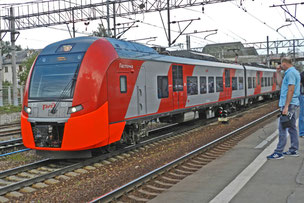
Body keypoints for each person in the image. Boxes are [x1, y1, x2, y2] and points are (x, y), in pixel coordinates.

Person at [267, 58, 301, 159]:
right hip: (291, 103)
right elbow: (282, 85)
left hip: (289, 104)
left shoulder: (290, 73)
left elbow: (291, 90)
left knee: (282, 127)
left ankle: (278, 152)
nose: (280, 66)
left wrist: (286, 106)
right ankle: (294, 149)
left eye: (281, 65)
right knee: (291, 127)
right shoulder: (291, 72)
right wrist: (278, 73)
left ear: (284, 64)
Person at [299, 71, 304, 137]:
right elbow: (299, 84)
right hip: (303, 95)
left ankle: (302, 132)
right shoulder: (302, 74)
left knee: (302, 114)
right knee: (302, 114)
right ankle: (302, 132)